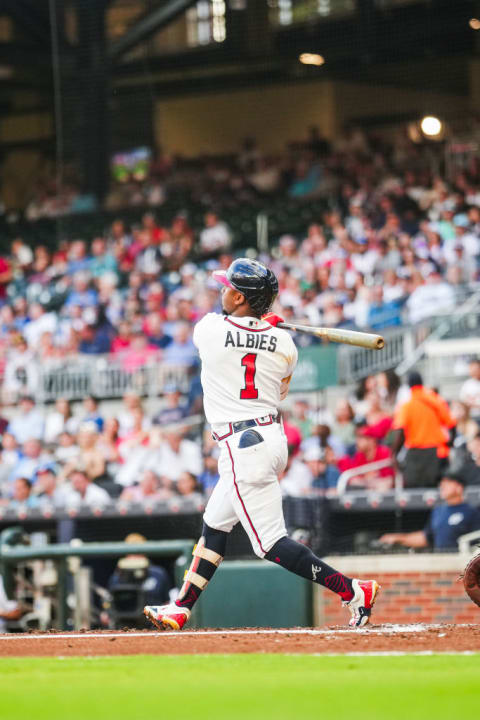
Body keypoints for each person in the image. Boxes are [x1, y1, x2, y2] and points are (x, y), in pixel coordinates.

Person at [144, 258, 379, 631]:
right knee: (215, 525)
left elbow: (225, 329)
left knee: (270, 544)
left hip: (243, 445)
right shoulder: (285, 342)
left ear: (239, 298)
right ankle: (181, 607)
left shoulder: (209, 329)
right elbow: (279, 387)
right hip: (268, 438)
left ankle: (352, 590)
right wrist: (261, 331)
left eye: (228, 288)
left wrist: (251, 329)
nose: (222, 291)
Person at [379, 472, 480, 551]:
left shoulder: (471, 512)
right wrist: (399, 538)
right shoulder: (438, 511)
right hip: (442, 564)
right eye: (441, 483)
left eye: (448, 483)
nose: (442, 486)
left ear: (459, 488)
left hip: (463, 565)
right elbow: (426, 537)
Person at [392, 372, 456, 488]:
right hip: (437, 452)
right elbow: (451, 425)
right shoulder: (436, 401)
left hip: (416, 454)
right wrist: (450, 444)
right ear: (422, 383)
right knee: (438, 489)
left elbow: (401, 432)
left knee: (416, 492)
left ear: (409, 385)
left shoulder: (406, 406)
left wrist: (394, 454)